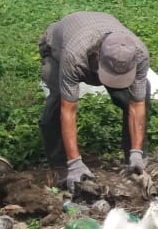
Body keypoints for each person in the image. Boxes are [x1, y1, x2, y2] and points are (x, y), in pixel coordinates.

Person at [38, 11, 150, 190]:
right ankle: (62, 166)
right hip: (58, 49)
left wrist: (136, 152)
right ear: (98, 57)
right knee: (57, 102)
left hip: (97, 31)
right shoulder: (73, 56)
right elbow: (69, 111)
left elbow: (137, 105)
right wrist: (75, 162)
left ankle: (135, 159)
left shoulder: (139, 53)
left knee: (140, 93)